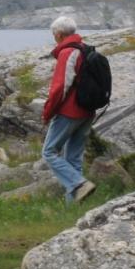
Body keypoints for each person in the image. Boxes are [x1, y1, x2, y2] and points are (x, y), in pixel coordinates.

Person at [41, 16, 97, 202]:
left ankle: (80, 183)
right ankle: (73, 207)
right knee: (73, 158)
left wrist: (48, 112)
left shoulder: (67, 53)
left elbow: (60, 87)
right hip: (87, 110)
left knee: (49, 152)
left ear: (58, 34)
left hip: (69, 111)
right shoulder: (85, 49)